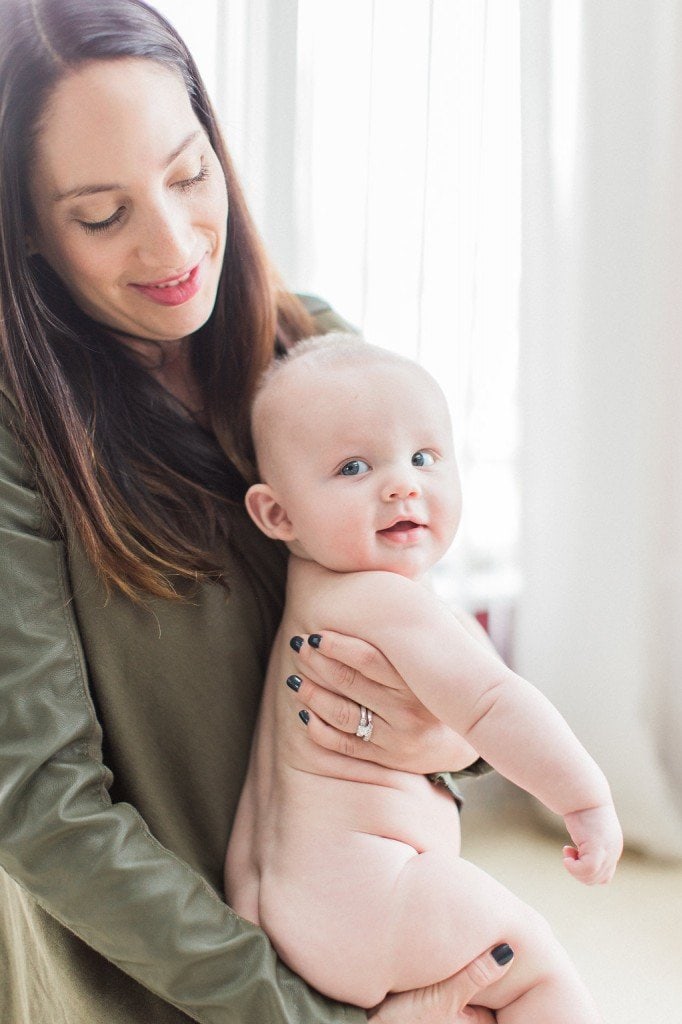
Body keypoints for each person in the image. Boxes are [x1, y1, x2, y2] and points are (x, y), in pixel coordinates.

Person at [0, 1, 516, 1022]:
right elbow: (42, 805)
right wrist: (292, 1011)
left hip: (367, 938)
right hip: (156, 984)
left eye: (190, 174)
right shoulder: (22, 438)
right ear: (28, 233)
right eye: (103, 215)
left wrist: (448, 741)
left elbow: (421, 635)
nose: (173, 242)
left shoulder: (312, 348)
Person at [226, 334, 624, 1021]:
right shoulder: (386, 601)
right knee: (534, 972)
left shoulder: (310, 590)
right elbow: (494, 702)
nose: (401, 483)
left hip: (269, 901)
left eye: (423, 458)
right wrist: (584, 799)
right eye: (353, 467)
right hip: (374, 888)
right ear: (278, 514)